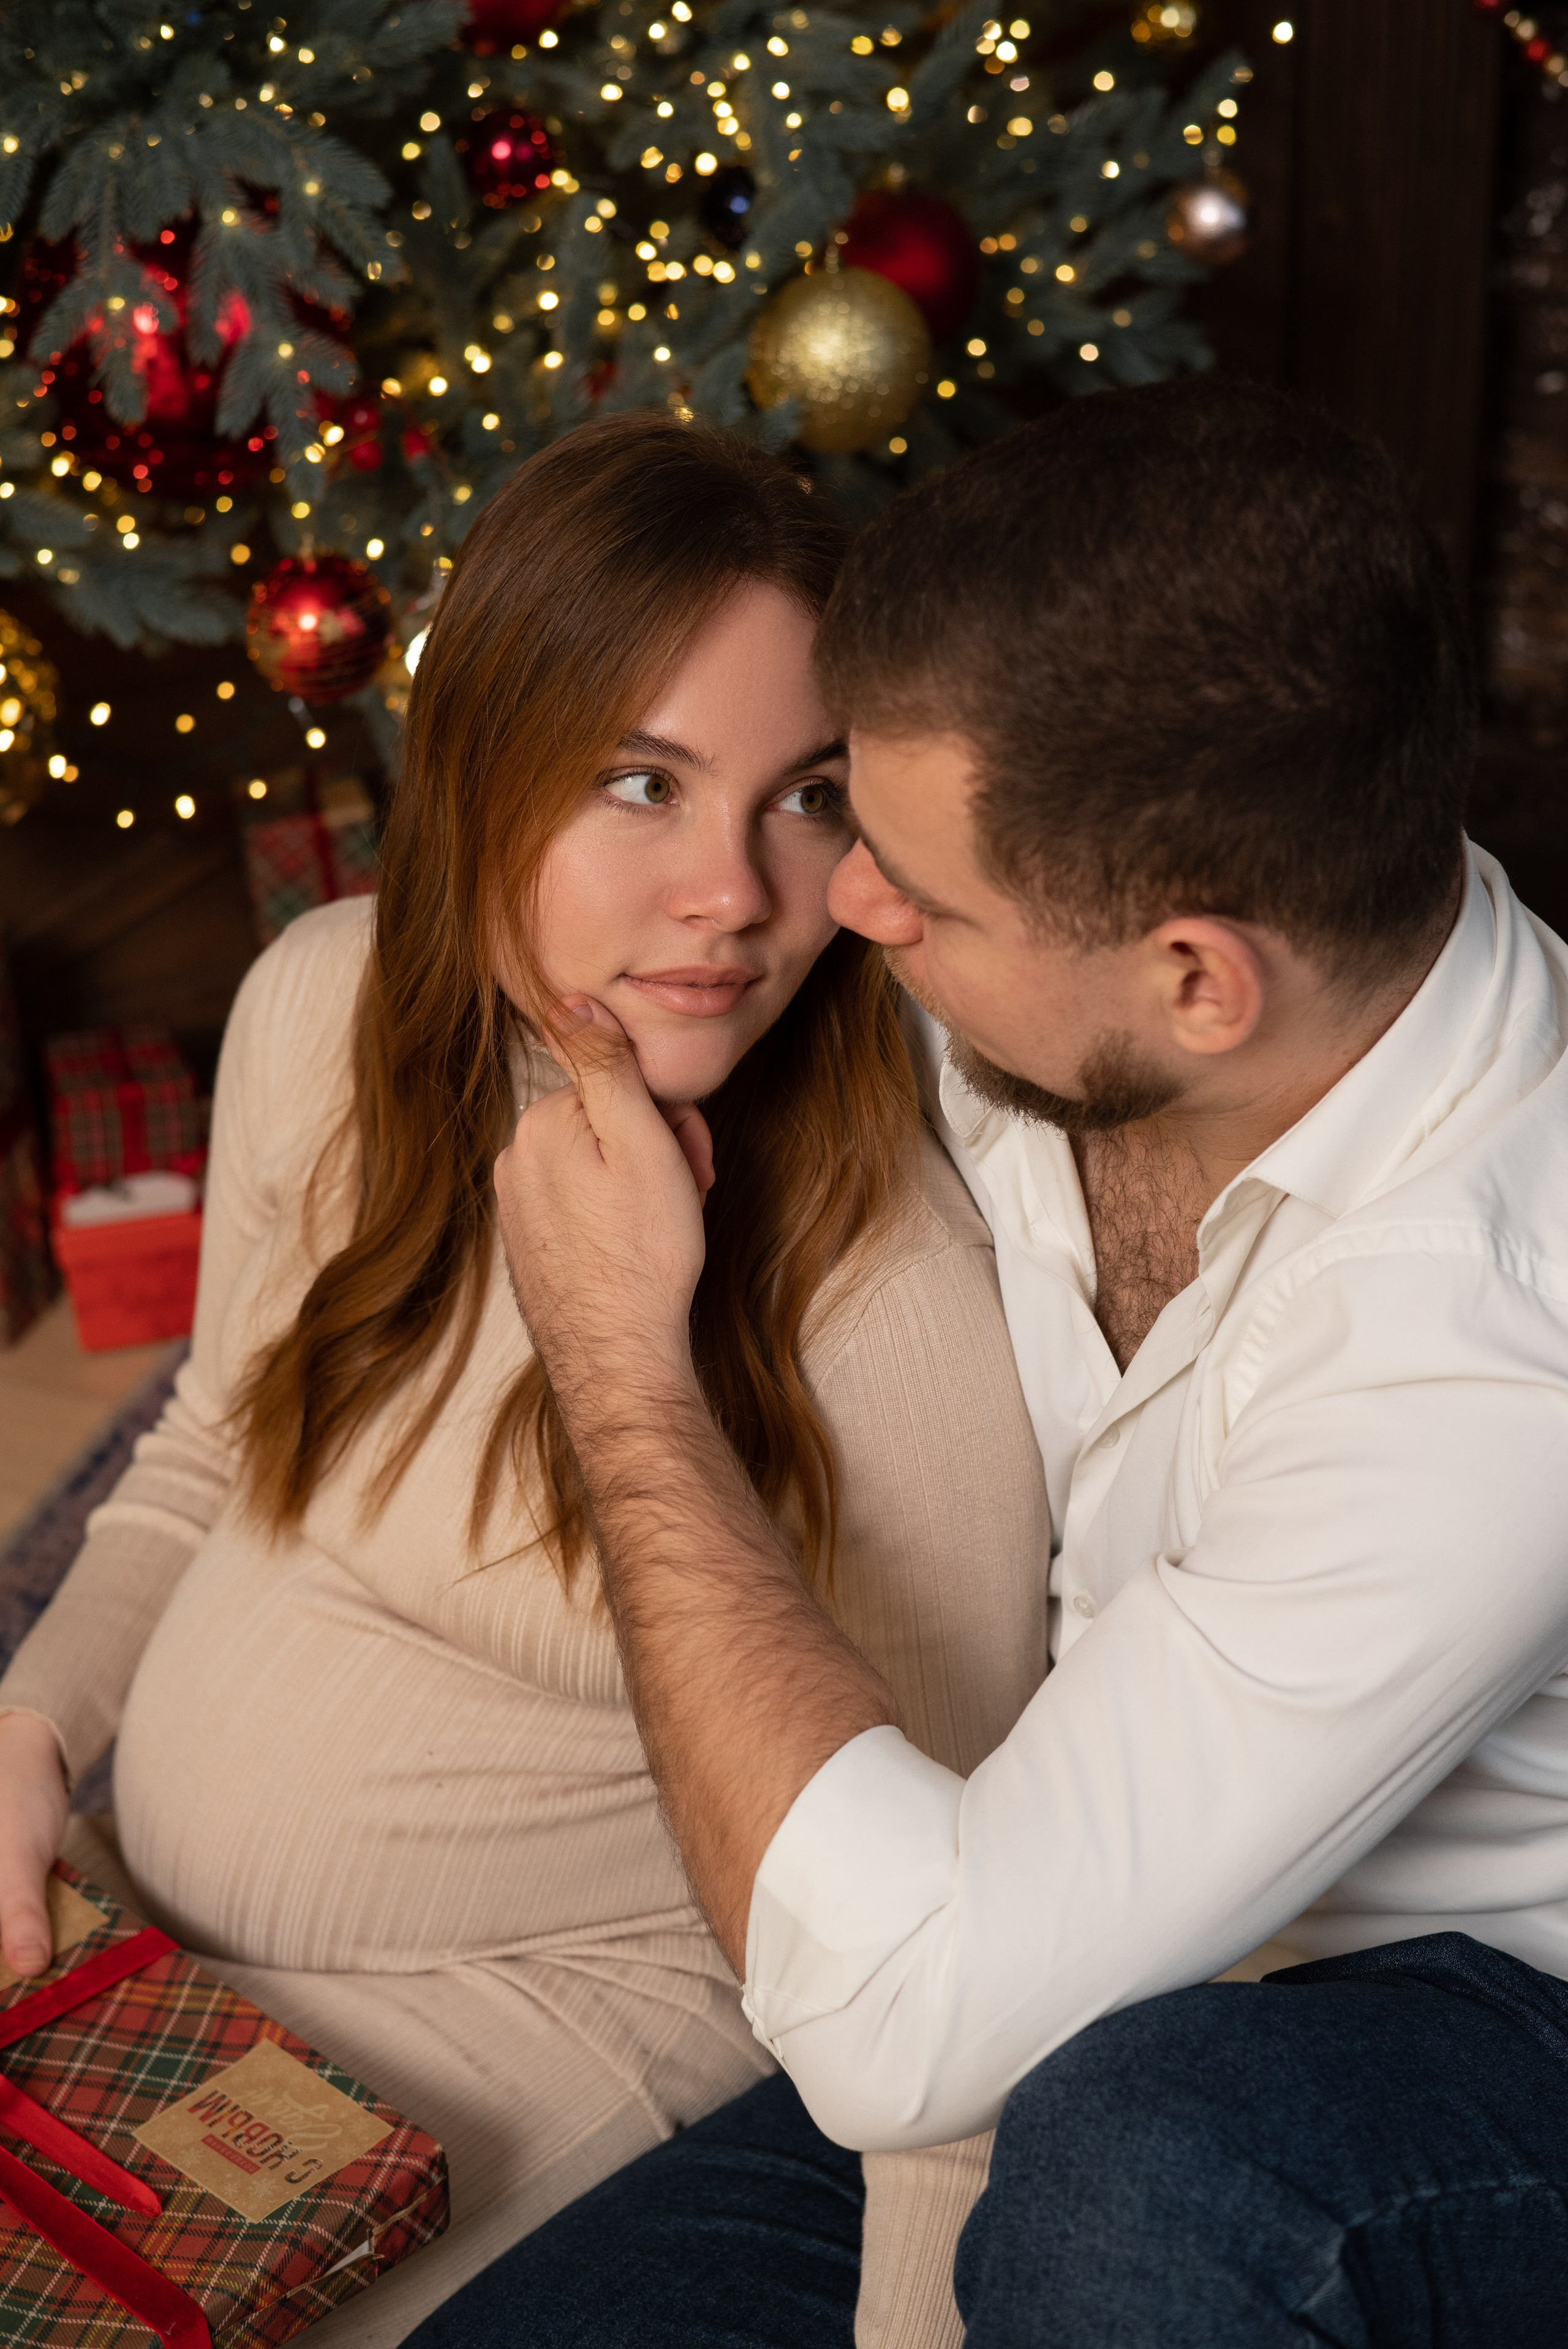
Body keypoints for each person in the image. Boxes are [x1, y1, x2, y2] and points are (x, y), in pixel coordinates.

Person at [428, 379, 1568, 2349]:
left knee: (1152, 2167)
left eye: (916, 893)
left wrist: (618, 1360)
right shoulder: (1082, 993)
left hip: (1492, 2019)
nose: (837, 904)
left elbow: (902, 2025)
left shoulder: (1490, 1353)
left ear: (1197, 979)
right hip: (1084, 1923)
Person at [0, 414, 1055, 2345]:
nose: (733, 894)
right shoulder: (320, 1005)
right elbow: (211, 1444)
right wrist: (32, 1723)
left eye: (806, 797)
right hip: (140, 1937)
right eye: (641, 782)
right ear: (480, 769)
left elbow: (958, 1941)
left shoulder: (885, 1292)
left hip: (528, 2033)